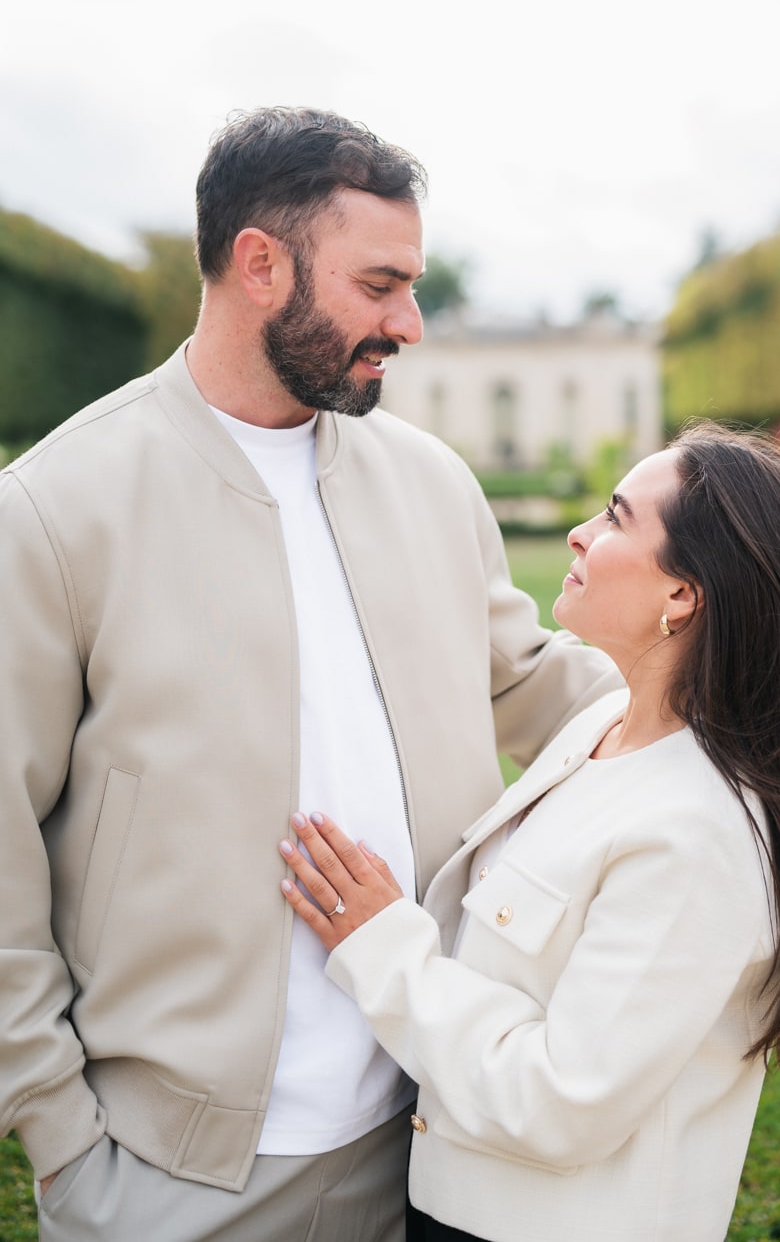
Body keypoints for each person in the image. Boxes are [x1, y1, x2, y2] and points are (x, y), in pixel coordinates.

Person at [0, 107, 621, 1242]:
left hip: (434, 1147)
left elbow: (533, 683)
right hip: (170, 1185)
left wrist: (749, 723)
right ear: (258, 264)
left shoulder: (432, 482)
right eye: (379, 284)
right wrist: (61, 1137)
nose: (412, 323)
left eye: (413, 284)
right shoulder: (54, 508)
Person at [277, 422, 780, 1242]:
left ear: (682, 596)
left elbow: (562, 1101)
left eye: (614, 516)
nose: (580, 531)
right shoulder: (605, 724)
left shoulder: (700, 833)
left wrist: (381, 943)